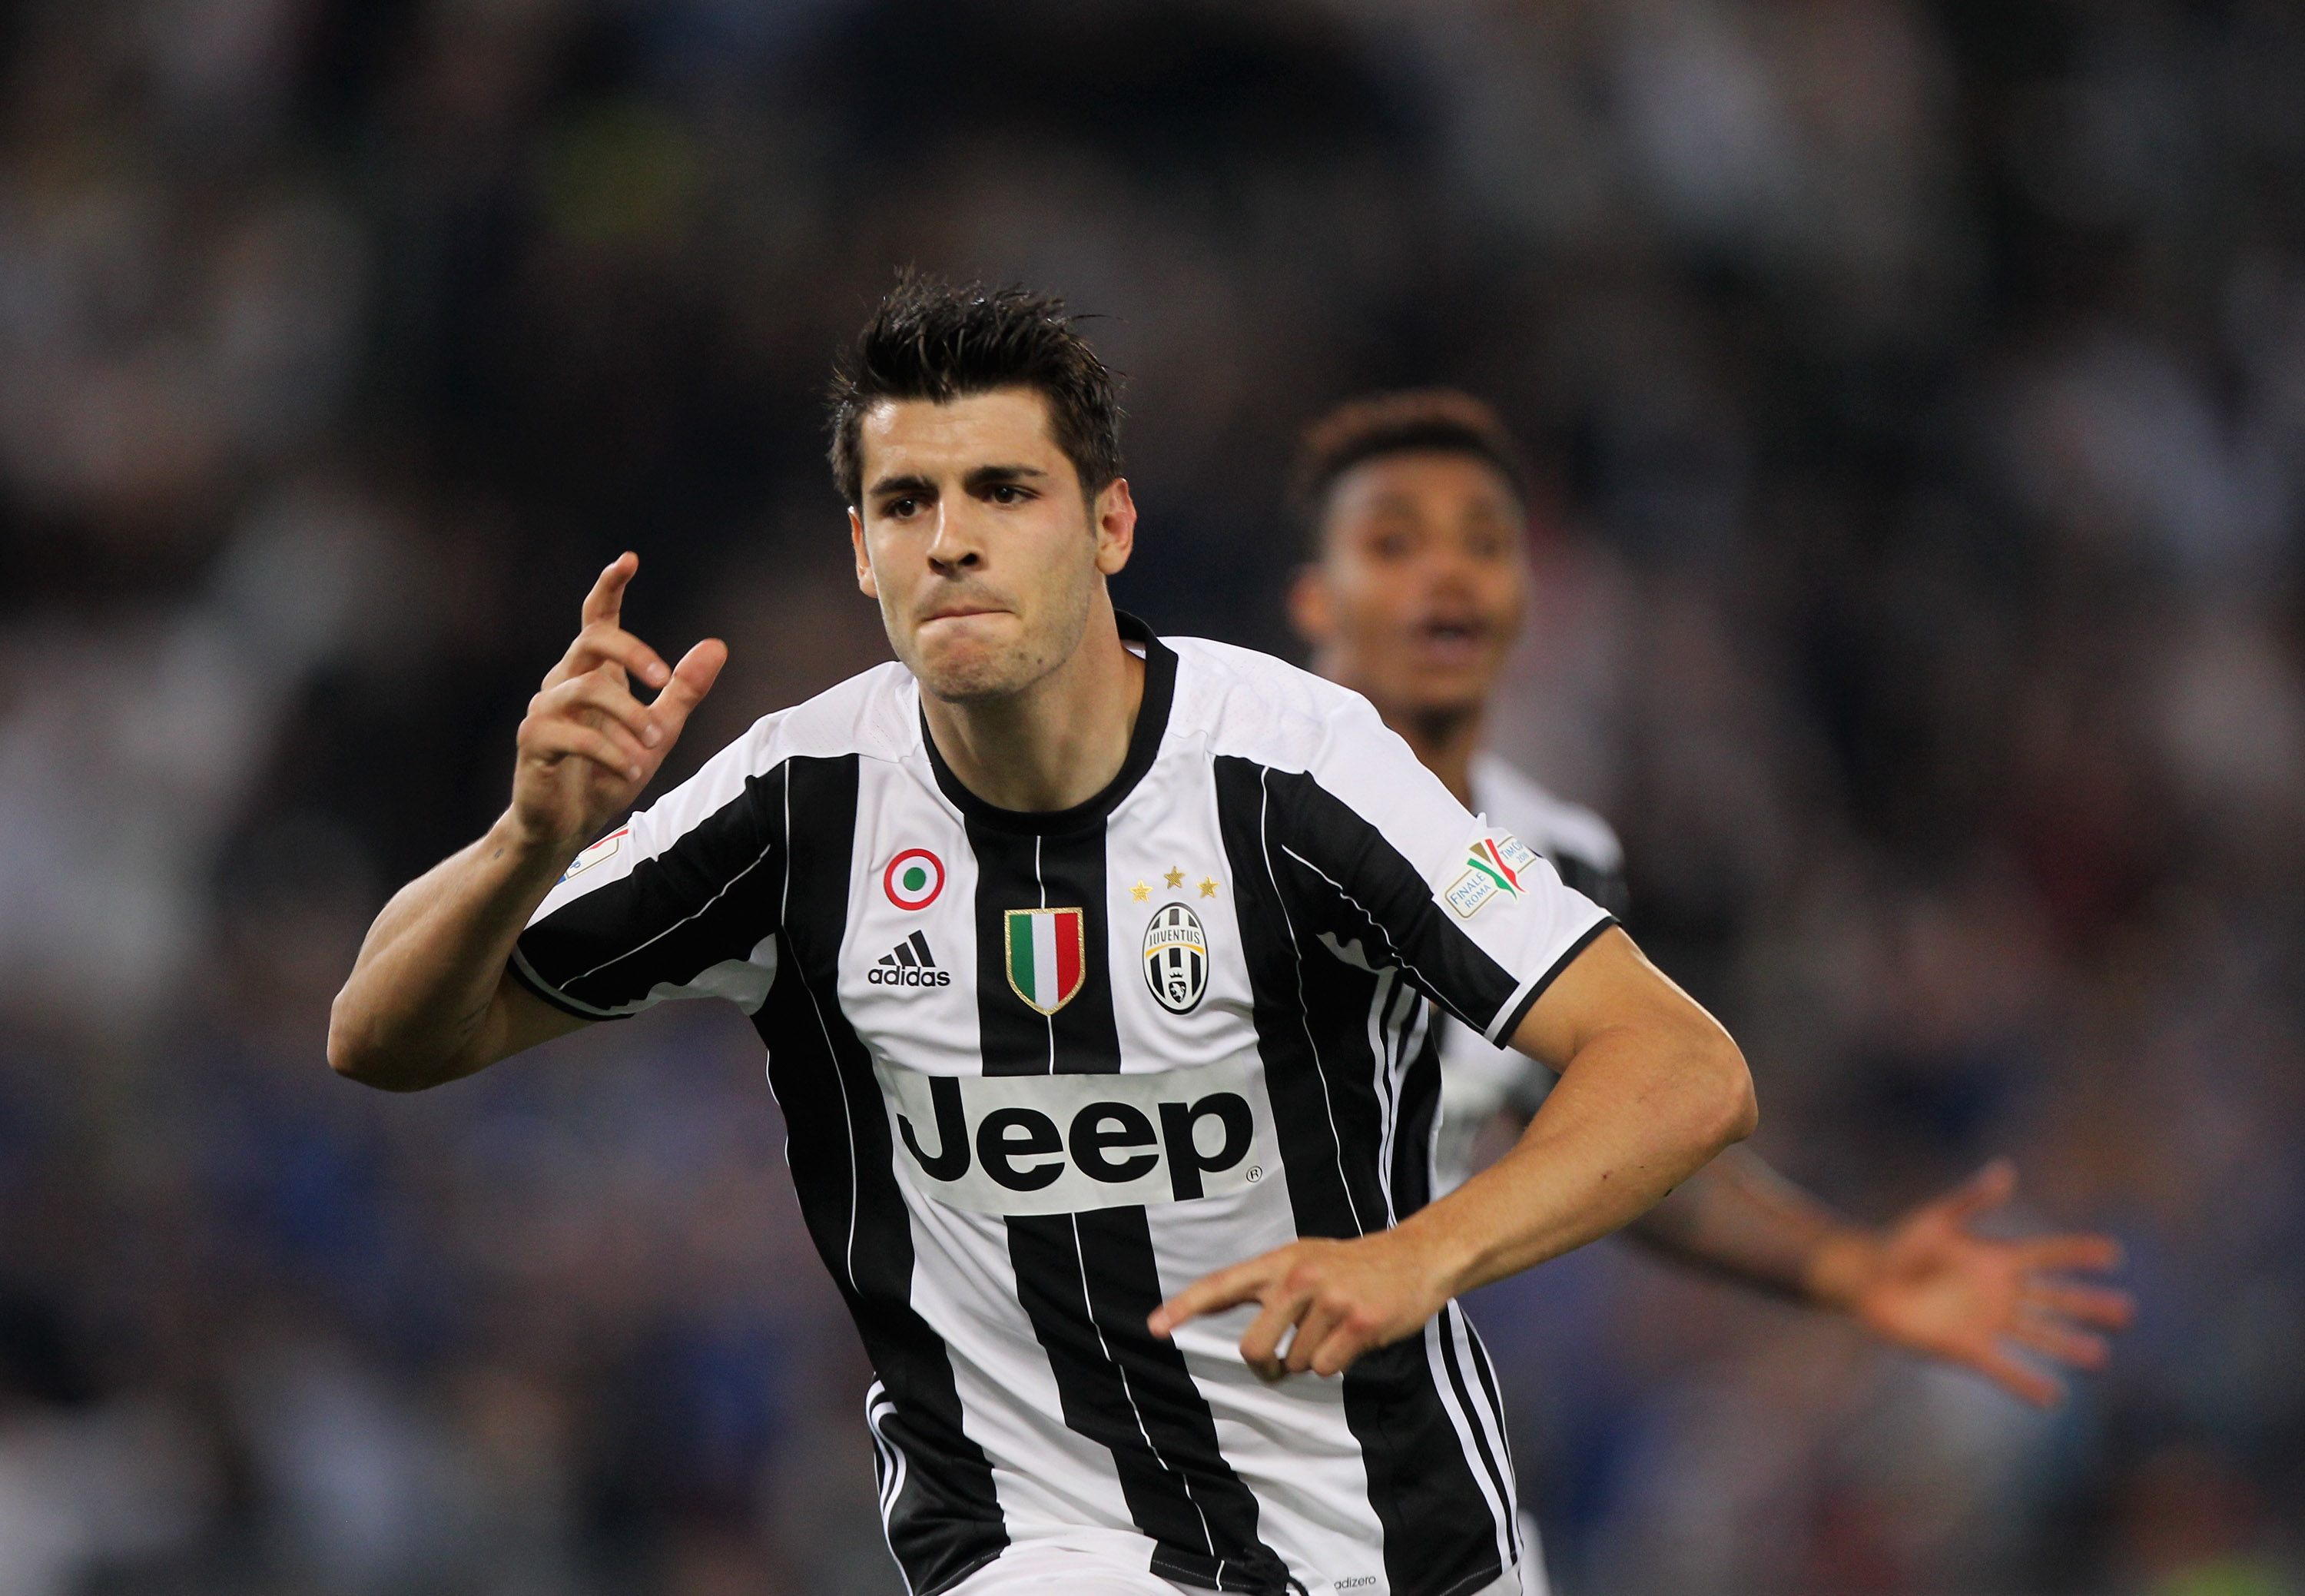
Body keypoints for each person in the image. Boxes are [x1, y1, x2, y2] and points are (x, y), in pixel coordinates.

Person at [330, 280, 1756, 1596]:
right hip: (1036, 1543)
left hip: (1404, 1543)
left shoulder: (1292, 772)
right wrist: (528, 843)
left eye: (1004, 489)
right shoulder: (797, 805)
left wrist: (1421, 1254)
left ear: (1110, 526)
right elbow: (387, 1037)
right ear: (861, 548)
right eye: (905, 502)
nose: (950, 536)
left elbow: (1683, 1067)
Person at [1285, 387, 2134, 1414]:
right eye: (1394, 543)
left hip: (1380, 1441)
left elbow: (1612, 1129)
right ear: (1316, 600)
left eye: (1485, 541)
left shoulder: (1552, 853)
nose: (1447, 573)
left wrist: (1847, 1266)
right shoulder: (1205, 815)